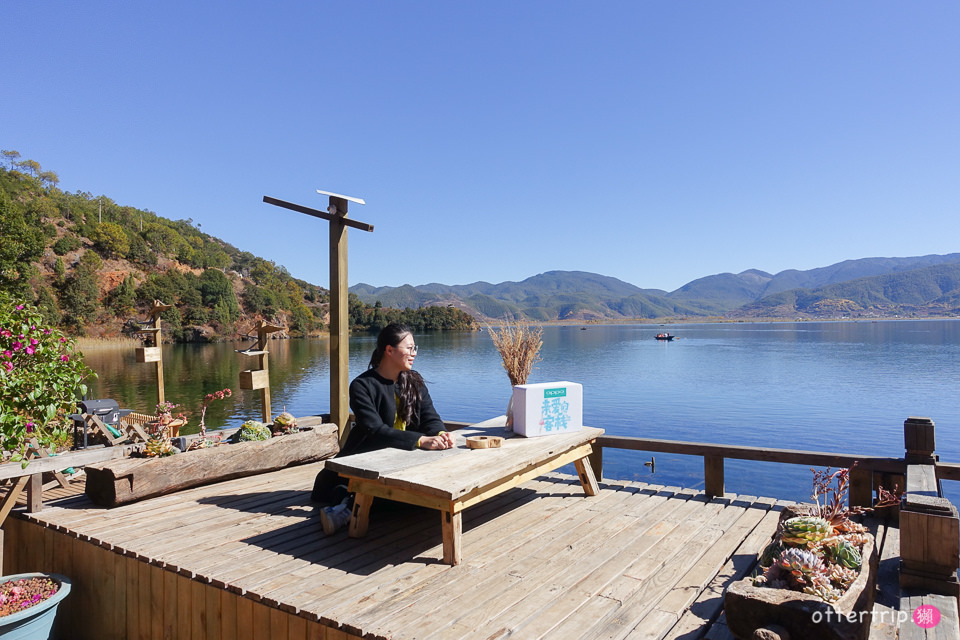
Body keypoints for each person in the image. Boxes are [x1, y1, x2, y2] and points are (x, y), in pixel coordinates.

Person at [313, 322, 455, 534]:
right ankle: (348, 507)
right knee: (395, 496)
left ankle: (350, 507)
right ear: (389, 350)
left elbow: (431, 418)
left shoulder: (414, 382)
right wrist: (420, 440)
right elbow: (375, 430)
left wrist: (441, 433)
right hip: (364, 459)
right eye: (409, 348)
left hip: (403, 459)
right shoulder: (362, 386)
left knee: (420, 495)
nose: (414, 353)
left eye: (415, 348)